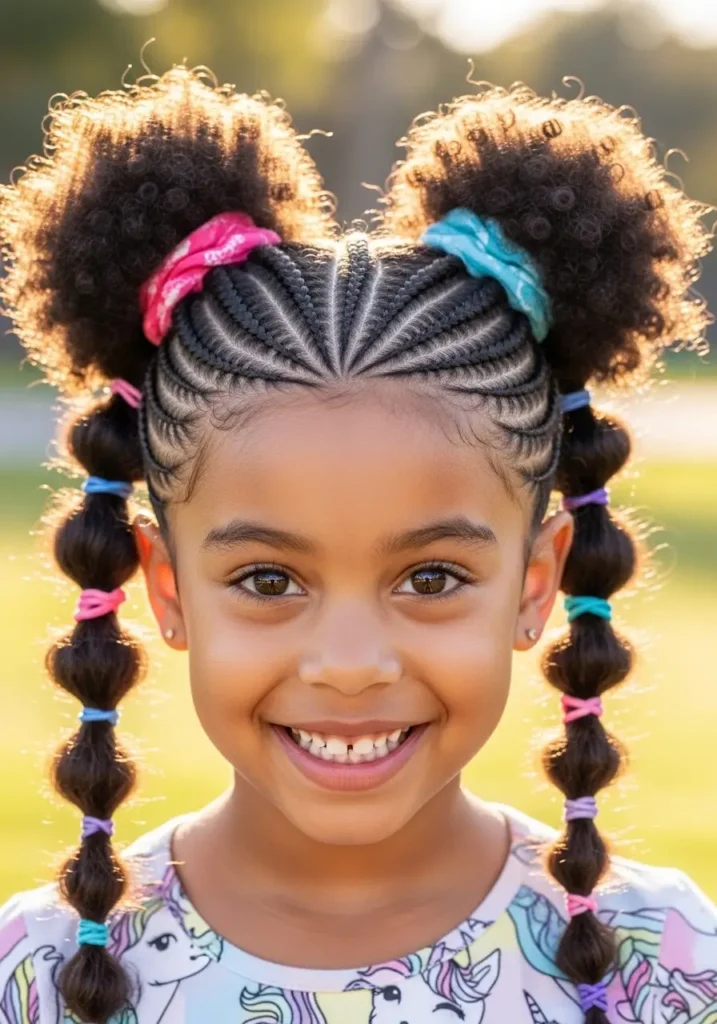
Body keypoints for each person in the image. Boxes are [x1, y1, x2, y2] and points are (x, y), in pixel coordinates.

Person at [0, 64, 714, 1024]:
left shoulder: (662, 969)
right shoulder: (40, 978)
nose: (348, 665)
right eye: (266, 578)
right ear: (164, 589)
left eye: (430, 576)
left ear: (534, 584)